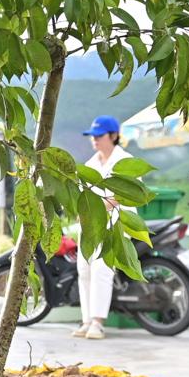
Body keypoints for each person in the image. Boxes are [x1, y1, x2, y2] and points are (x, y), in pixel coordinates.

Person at [72, 115, 125, 340]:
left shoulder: (124, 161)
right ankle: (86, 320)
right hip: (90, 224)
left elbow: (126, 193)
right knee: (83, 269)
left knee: (101, 269)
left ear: (113, 136)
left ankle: (98, 322)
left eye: (99, 136)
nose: (95, 140)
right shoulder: (90, 165)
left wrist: (101, 206)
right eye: (92, 136)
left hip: (115, 224)